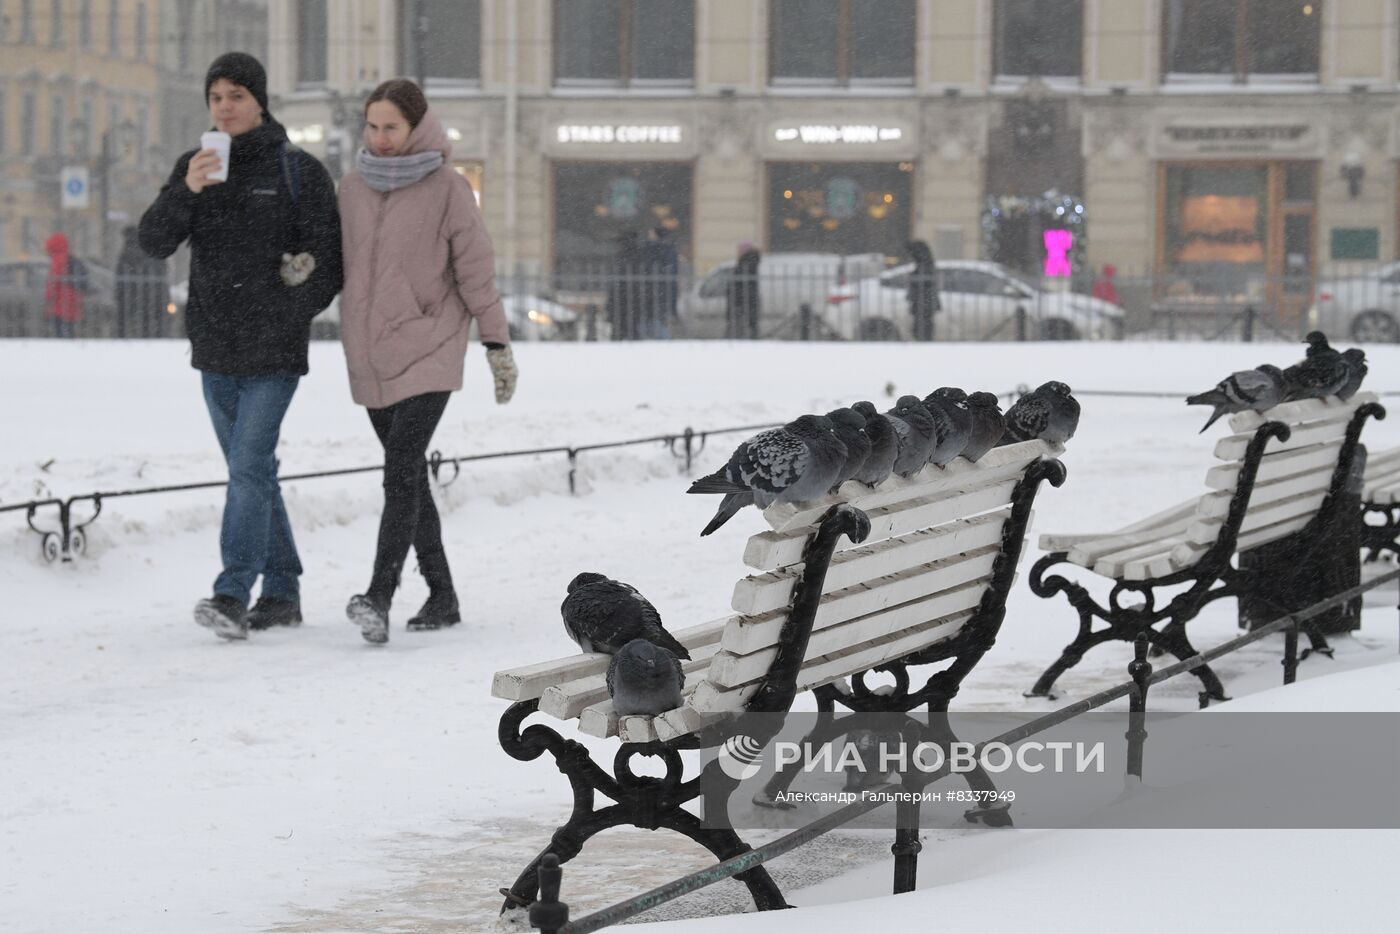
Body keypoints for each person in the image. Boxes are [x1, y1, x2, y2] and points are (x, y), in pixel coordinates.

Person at [139, 52, 343, 641]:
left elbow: (330, 263)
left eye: (236, 95)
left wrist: (289, 311)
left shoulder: (296, 170)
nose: (224, 107)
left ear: (259, 100)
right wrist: (186, 189)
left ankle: (232, 593)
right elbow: (152, 242)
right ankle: (282, 593)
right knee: (250, 472)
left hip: (273, 352)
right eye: (216, 97)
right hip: (213, 347)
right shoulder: (196, 166)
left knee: (249, 468)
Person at [337, 78, 517, 645]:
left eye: (392, 126)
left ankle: (378, 595)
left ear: (417, 127)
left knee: (399, 471)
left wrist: (496, 344)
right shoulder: (350, 189)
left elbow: (474, 270)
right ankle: (442, 594)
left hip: (432, 347)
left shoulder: (447, 188)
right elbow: (328, 260)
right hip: (370, 354)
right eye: (374, 126)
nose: (382, 137)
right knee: (409, 474)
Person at [116, 225, 169, 338]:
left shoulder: (128, 250)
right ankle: (155, 337)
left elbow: (121, 271)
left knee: (125, 320)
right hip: (152, 292)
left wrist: (120, 291)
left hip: (131, 293)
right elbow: (162, 270)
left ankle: (123, 337)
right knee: (152, 321)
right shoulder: (153, 248)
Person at [43, 232, 85, 339]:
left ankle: (64, 350)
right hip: (72, 298)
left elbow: (54, 281)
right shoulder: (68, 257)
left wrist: (48, 296)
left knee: (60, 330)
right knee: (69, 329)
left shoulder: (57, 259)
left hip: (61, 301)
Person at [642, 226, 679, 339]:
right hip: (660, 292)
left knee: (656, 323)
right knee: (657, 322)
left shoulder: (657, 250)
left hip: (657, 292)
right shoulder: (667, 249)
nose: (648, 237)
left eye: (651, 234)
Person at [608, 231, 642, 341]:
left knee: (619, 331)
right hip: (632, 297)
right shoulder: (639, 255)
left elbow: (616, 278)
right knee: (632, 330)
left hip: (621, 297)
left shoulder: (622, 256)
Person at [906, 239, 940, 342]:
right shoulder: (925, 264)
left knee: (922, 329)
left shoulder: (924, 266)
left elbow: (924, 284)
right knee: (921, 328)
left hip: (923, 303)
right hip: (923, 303)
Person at [727, 241, 761, 339]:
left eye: (739, 250)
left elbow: (739, 283)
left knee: (740, 329)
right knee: (748, 328)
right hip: (745, 301)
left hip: (742, 301)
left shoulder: (746, 265)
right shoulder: (750, 263)